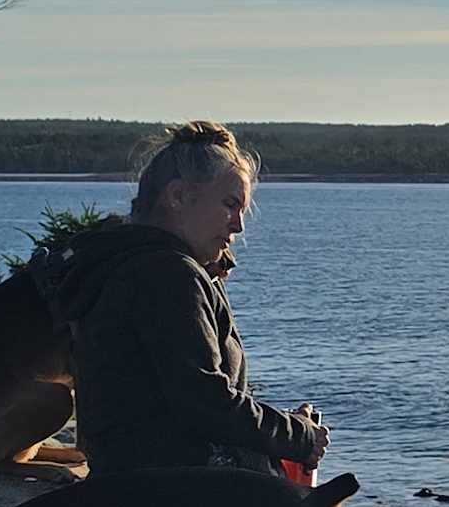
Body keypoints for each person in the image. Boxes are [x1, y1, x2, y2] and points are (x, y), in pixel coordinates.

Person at [41, 121, 333, 478]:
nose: (238, 226)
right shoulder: (167, 274)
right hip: (166, 483)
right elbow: (205, 403)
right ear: (177, 197)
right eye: (229, 205)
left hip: (129, 470)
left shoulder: (128, 260)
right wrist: (298, 435)